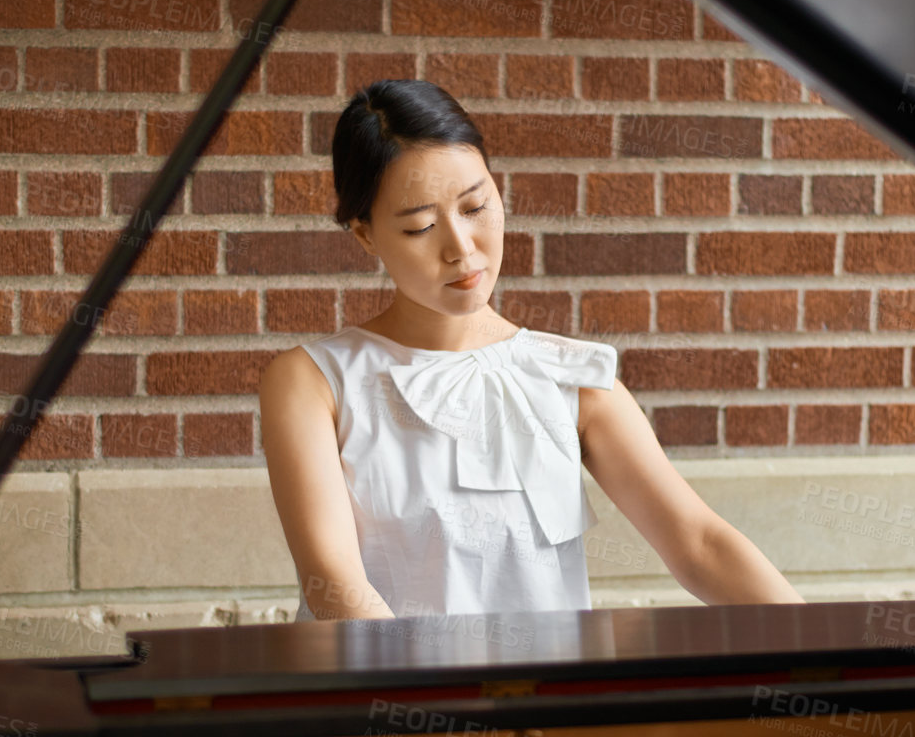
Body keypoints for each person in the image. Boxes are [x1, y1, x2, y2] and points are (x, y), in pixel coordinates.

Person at [259, 79, 804, 620]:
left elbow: (699, 543)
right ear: (366, 235)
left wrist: (826, 654)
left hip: (543, 701)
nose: (461, 249)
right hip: (390, 700)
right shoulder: (313, 382)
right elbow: (334, 583)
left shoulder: (572, 378)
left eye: (475, 207)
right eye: (421, 226)